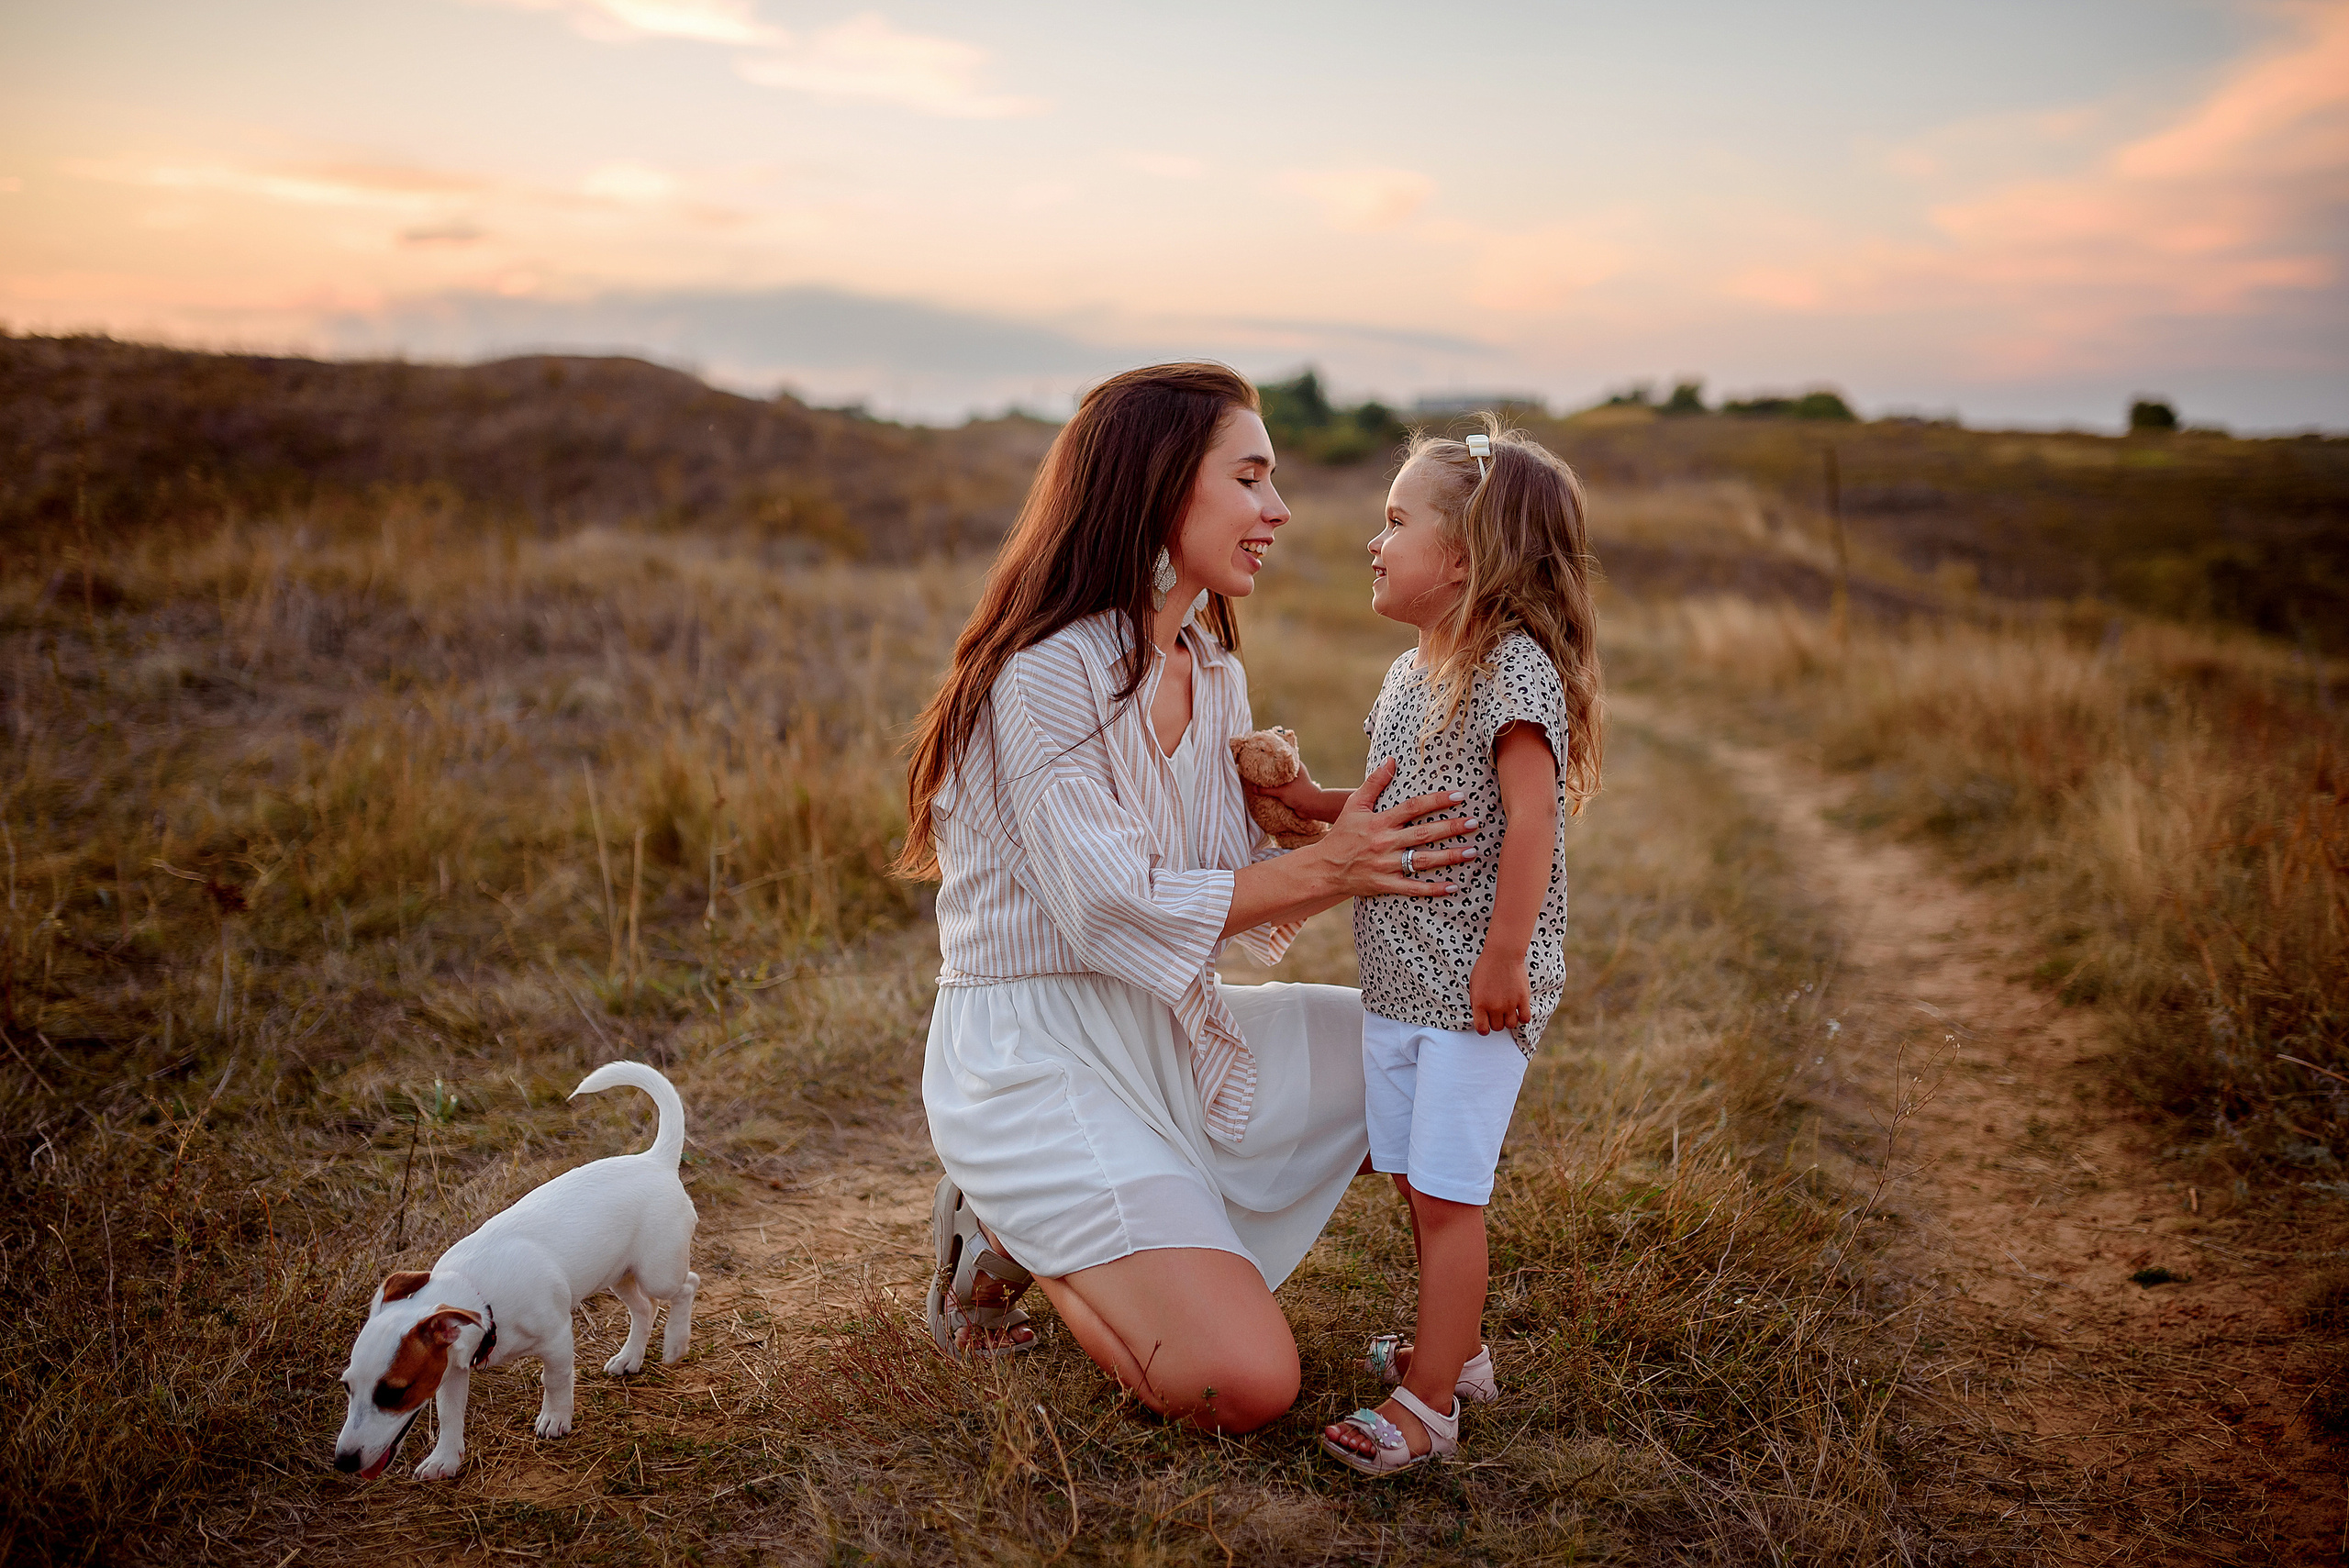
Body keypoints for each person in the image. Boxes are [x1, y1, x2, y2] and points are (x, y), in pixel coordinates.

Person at [896, 362, 1480, 1434]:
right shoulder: (1044, 672)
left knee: (1428, 1059)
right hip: (1037, 1056)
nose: (1278, 509)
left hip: (1168, 1026)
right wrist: (1333, 866)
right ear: (1158, 485)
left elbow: (1205, 876)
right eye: (1249, 478)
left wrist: (1307, 821)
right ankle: (1013, 1226)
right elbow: (1113, 907)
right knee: (1241, 1384)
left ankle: (1123, 1226)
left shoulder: (1209, 668)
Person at [1263, 423, 1603, 1474]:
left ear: (1461, 556)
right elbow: (1387, 805)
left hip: (1471, 992)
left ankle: (1427, 1406)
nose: (1375, 542)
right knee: (1417, 1183)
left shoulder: (1510, 672)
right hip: (1402, 985)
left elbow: (1533, 820)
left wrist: (1505, 956)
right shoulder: (1410, 672)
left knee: (1451, 1197)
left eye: (1394, 521)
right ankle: (1458, 1356)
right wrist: (1301, 798)